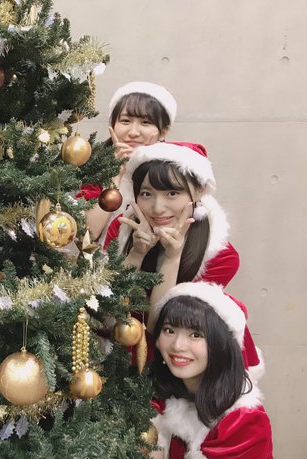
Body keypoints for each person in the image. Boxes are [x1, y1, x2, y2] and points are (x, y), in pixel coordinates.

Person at [103, 142, 263, 375]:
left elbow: (162, 325)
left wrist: (172, 257)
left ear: (198, 192)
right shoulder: (121, 232)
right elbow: (108, 309)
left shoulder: (221, 257)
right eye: (146, 194)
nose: (158, 208)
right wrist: (136, 254)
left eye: (172, 193)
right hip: (121, 355)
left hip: (182, 364)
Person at [128, 282, 290, 459]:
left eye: (196, 334)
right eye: (169, 330)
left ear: (220, 344)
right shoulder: (167, 395)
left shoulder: (243, 422)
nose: (177, 345)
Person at [79, 81, 177, 245]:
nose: (133, 132)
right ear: (112, 125)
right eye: (125, 121)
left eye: (145, 123)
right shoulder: (94, 168)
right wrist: (115, 176)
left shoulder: (176, 172)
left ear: (163, 132)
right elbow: (88, 233)